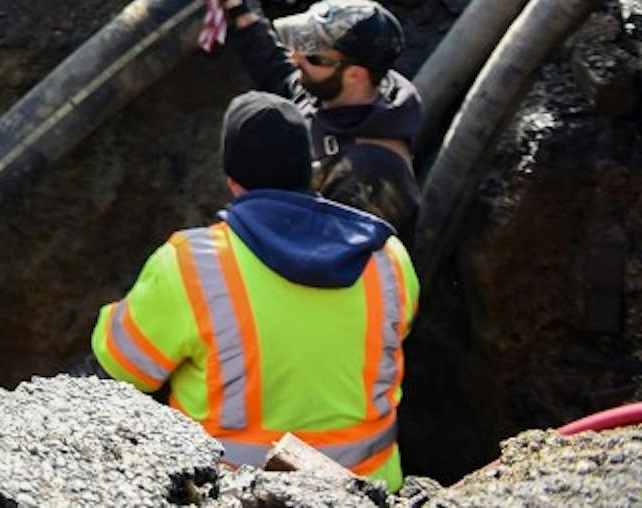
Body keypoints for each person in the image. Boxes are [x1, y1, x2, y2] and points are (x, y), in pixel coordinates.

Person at [92, 92, 418, 489]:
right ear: (310, 170)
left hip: (233, 493)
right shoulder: (387, 257)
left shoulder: (190, 265)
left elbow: (122, 368)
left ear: (231, 180)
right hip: (370, 493)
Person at [222, 0, 422, 238]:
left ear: (355, 74)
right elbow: (279, 73)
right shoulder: (328, 93)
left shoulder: (372, 173)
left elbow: (325, 252)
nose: (296, 58)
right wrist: (239, 9)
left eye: (313, 56)